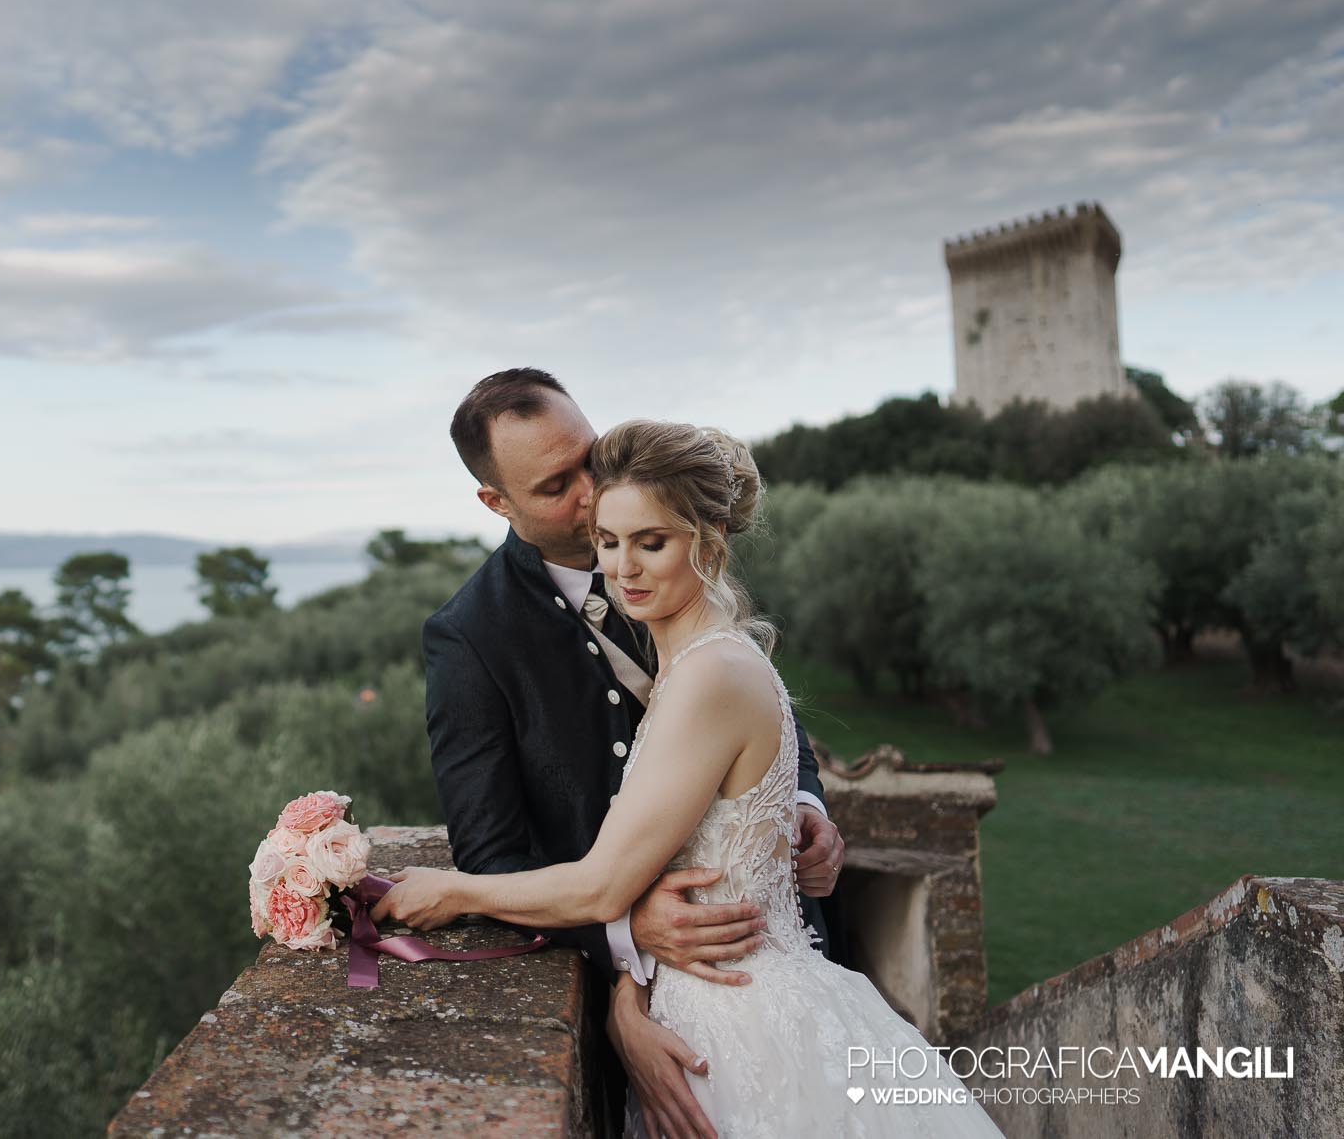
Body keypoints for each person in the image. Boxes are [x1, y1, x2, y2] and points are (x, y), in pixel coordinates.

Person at [381, 417, 1004, 1137]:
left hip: (747, 1024)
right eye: (609, 542)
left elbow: (604, 881)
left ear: (707, 540)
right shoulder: (501, 632)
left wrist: (451, 889)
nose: (621, 566)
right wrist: (628, 985)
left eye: (650, 542)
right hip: (698, 1008)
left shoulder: (707, 668)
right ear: (498, 499)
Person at [417, 370, 848, 1139]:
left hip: (774, 959)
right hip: (671, 998)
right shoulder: (471, 638)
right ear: (497, 502)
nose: (594, 494)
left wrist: (800, 805)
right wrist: (625, 942)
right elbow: (491, 853)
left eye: (591, 456)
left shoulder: (668, 545)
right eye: (557, 485)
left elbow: (757, 697)